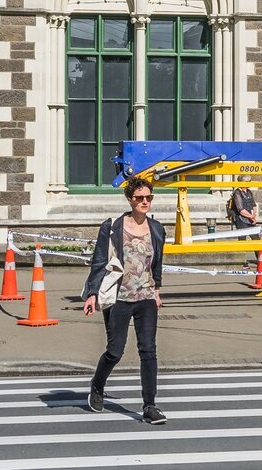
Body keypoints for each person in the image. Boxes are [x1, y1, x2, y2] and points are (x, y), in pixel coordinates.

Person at [82, 177, 167, 426]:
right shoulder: (113, 227)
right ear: (129, 199)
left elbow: (157, 263)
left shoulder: (157, 229)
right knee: (115, 351)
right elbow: (99, 261)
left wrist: (157, 290)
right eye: (139, 198)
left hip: (146, 297)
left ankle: (150, 406)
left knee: (148, 351)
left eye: (148, 198)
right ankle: (97, 386)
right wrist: (92, 293)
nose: (144, 202)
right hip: (118, 297)